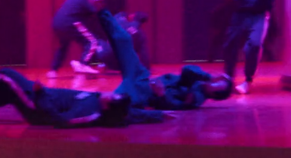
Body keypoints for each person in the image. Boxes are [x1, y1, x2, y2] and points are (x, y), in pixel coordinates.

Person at [97, 8, 231, 111]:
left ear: (216, 94)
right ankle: (100, 9)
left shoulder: (197, 97)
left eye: (218, 83)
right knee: (125, 41)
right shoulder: (199, 79)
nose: (215, 80)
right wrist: (207, 76)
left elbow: (176, 106)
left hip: (144, 93)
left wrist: (162, 95)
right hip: (143, 77)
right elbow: (187, 69)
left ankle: (92, 107)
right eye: (218, 79)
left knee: (114, 100)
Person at [0, 68, 163, 128]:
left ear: (109, 105)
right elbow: (132, 114)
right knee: (6, 86)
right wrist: (161, 114)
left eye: (113, 96)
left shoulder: (89, 113)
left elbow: (61, 121)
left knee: (4, 77)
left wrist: (40, 95)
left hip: (37, 107)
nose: (110, 93)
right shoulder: (102, 103)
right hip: (41, 94)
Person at [48, 0, 109, 78]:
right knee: (92, 41)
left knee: (63, 46)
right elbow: (95, 12)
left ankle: (53, 71)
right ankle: (83, 64)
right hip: (71, 22)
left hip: (57, 22)